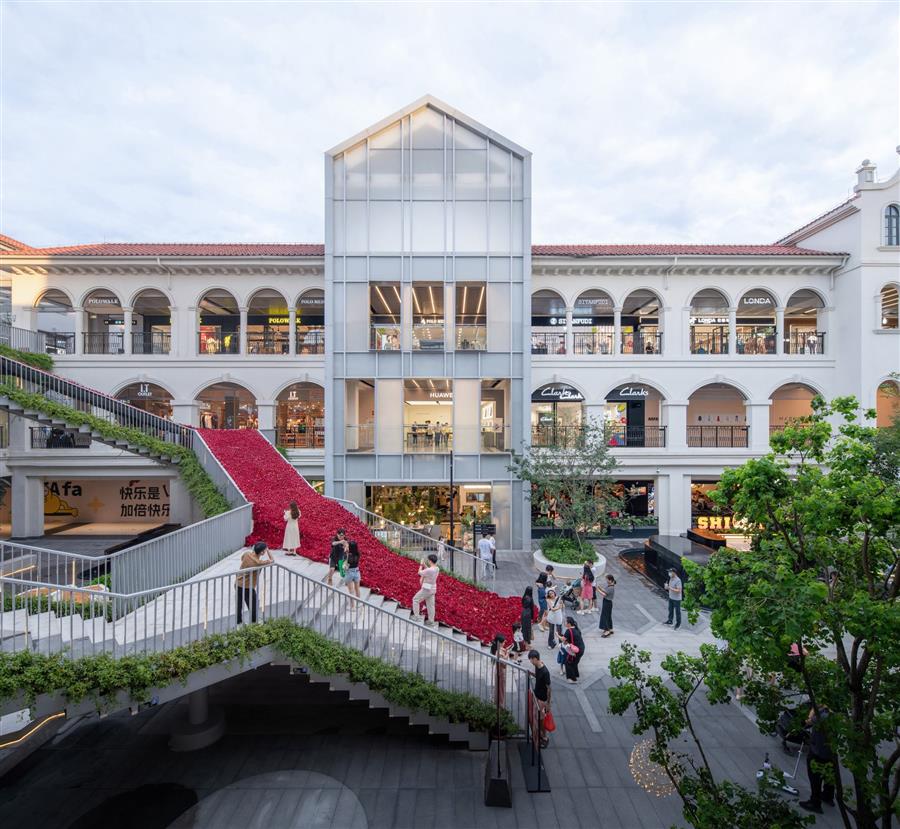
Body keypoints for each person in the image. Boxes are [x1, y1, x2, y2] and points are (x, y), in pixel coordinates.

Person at [799, 706, 835, 814]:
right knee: (829, 773)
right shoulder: (837, 715)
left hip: (818, 750)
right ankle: (828, 796)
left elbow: (808, 721)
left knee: (815, 777)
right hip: (831, 751)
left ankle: (815, 802)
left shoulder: (823, 715)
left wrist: (813, 710)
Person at [235, 541, 273, 624]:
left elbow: (242, 558)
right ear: (262, 552)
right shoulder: (258, 563)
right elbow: (272, 560)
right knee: (253, 604)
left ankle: (239, 622)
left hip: (238, 583)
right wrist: (268, 550)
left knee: (239, 604)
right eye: (265, 550)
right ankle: (254, 622)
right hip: (247, 586)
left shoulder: (247, 554)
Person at [529, 650, 552, 749]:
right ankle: (538, 734)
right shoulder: (537, 666)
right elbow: (538, 677)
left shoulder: (545, 672)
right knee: (537, 717)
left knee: (541, 719)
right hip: (537, 695)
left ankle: (544, 737)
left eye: (531, 660)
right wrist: (531, 673)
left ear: (535, 659)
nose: (530, 662)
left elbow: (549, 688)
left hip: (542, 699)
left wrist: (548, 703)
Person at [412, 553, 439, 626]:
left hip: (427, 588)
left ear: (430, 561)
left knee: (415, 599)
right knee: (431, 605)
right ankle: (431, 621)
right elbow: (428, 570)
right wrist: (424, 565)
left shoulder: (430, 570)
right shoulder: (437, 568)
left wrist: (421, 564)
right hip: (433, 589)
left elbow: (419, 572)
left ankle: (416, 616)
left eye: (428, 560)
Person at [491, 633, 511, 707]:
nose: (504, 643)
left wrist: (506, 651)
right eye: (503, 642)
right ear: (499, 643)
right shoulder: (499, 652)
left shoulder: (499, 649)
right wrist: (507, 653)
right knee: (501, 689)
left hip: (499, 672)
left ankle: (498, 703)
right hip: (501, 673)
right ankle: (500, 705)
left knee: (499, 688)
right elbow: (504, 664)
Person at [562, 616, 585, 683]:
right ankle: (576, 674)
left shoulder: (568, 631)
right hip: (581, 649)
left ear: (569, 624)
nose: (564, 623)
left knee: (568, 662)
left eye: (565, 622)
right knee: (575, 662)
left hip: (575, 650)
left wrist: (557, 635)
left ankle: (572, 679)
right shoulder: (576, 629)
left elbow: (563, 639)